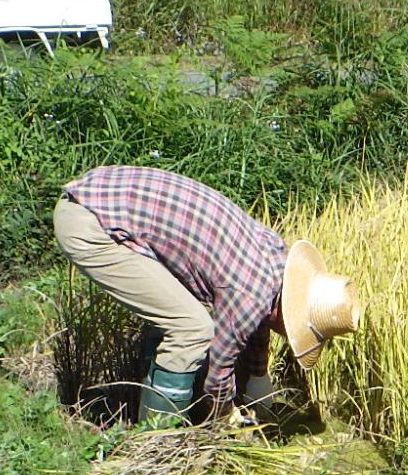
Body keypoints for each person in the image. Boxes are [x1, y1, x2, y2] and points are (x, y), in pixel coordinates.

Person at [54, 165, 358, 423]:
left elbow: (258, 320)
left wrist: (258, 375)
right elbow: (218, 374)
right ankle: (156, 444)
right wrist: (225, 420)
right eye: (294, 330)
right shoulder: (250, 293)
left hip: (105, 192)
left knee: (176, 312)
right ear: (288, 311)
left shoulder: (274, 256)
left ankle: (143, 401)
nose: (288, 336)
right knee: (191, 328)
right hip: (90, 222)